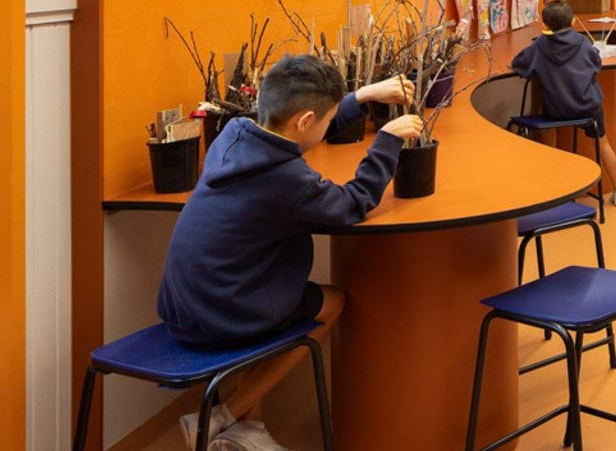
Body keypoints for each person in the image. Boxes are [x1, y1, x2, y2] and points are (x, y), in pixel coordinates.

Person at [157, 56, 421, 450]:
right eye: (327, 120)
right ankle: (222, 416)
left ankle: (247, 431)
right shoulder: (290, 181)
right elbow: (353, 203)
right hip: (223, 314)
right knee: (332, 302)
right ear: (306, 121)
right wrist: (387, 139)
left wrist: (364, 95)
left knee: (270, 295)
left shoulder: (234, 133)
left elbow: (302, 127)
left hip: (185, 303)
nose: (329, 126)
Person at [512, 0, 616, 207]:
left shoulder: (539, 45)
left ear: (544, 24)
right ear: (573, 21)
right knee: (603, 143)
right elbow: (596, 63)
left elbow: (519, 64)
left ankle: (554, 183)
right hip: (588, 107)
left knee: (543, 119)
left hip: (557, 109)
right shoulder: (583, 42)